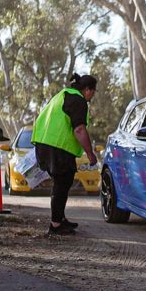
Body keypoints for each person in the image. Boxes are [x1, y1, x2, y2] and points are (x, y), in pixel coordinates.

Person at [31, 73, 99, 235]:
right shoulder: (78, 100)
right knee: (62, 184)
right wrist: (90, 153)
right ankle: (55, 224)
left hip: (45, 144)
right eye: (93, 92)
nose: (92, 96)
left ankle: (60, 219)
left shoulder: (62, 95)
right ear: (88, 90)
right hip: (57, 147)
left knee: (63, 182)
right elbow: (79, 129)